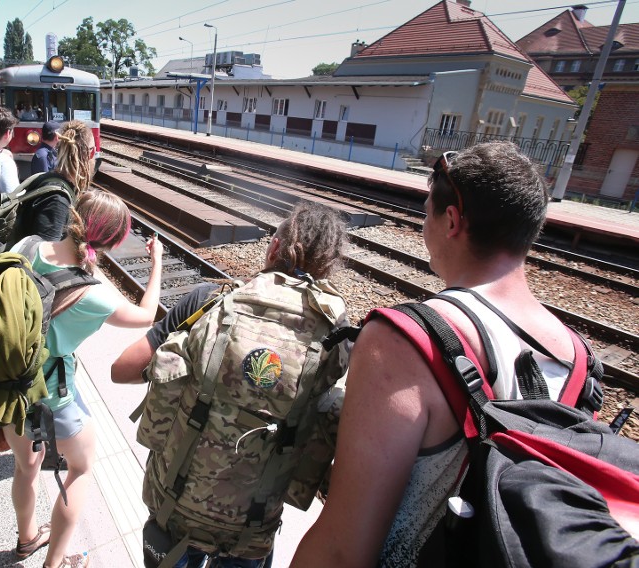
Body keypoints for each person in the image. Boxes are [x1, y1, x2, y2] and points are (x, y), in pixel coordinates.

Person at [291, 141, 577, 567]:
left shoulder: (403, 341)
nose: (424, 227)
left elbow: (341, 549)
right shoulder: (579, 356)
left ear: (452, 221)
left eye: (426, 213)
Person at [112, 202, 350, 568]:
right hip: (251, 527)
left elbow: (122, 370)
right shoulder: (336, 336)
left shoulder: (210, 301)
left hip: (173, 507)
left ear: (273, 248)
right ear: (328, 266)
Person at [4, 189, 164, 568]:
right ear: (109, 243)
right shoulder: (92, 295)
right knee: (81, 466)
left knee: (25, 466)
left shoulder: (27, 246)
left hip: (7, 385)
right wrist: (156, 262)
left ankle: (27, 537)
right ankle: (55, 562)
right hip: (48, 396)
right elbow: (146, 314)